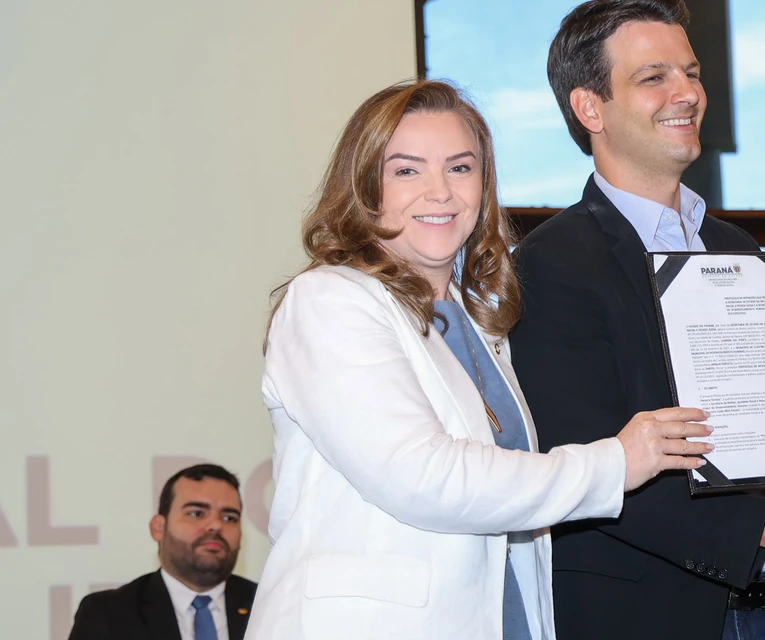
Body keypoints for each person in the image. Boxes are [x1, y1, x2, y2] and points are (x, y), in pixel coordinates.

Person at [247, 79, 717, 640]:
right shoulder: (330, 300)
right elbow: (422, 477)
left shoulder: (480, 324)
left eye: (460, 167)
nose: (439, 192)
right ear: (365, 187)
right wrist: (613, 463)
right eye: (406, 170)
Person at [509, 2, 765, 639]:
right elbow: (579, 458)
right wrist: (757, 529)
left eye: (692, 72)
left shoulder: (744, 253)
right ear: (589, 108)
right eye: (654, 77)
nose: (687, 93)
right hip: (645, 614)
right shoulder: (546, 265)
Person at [68, 464, 257, 640]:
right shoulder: (107, 614)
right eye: (196, 513)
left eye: (229, 518)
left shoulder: (271, 602)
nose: (216, 525)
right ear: (158, 528)